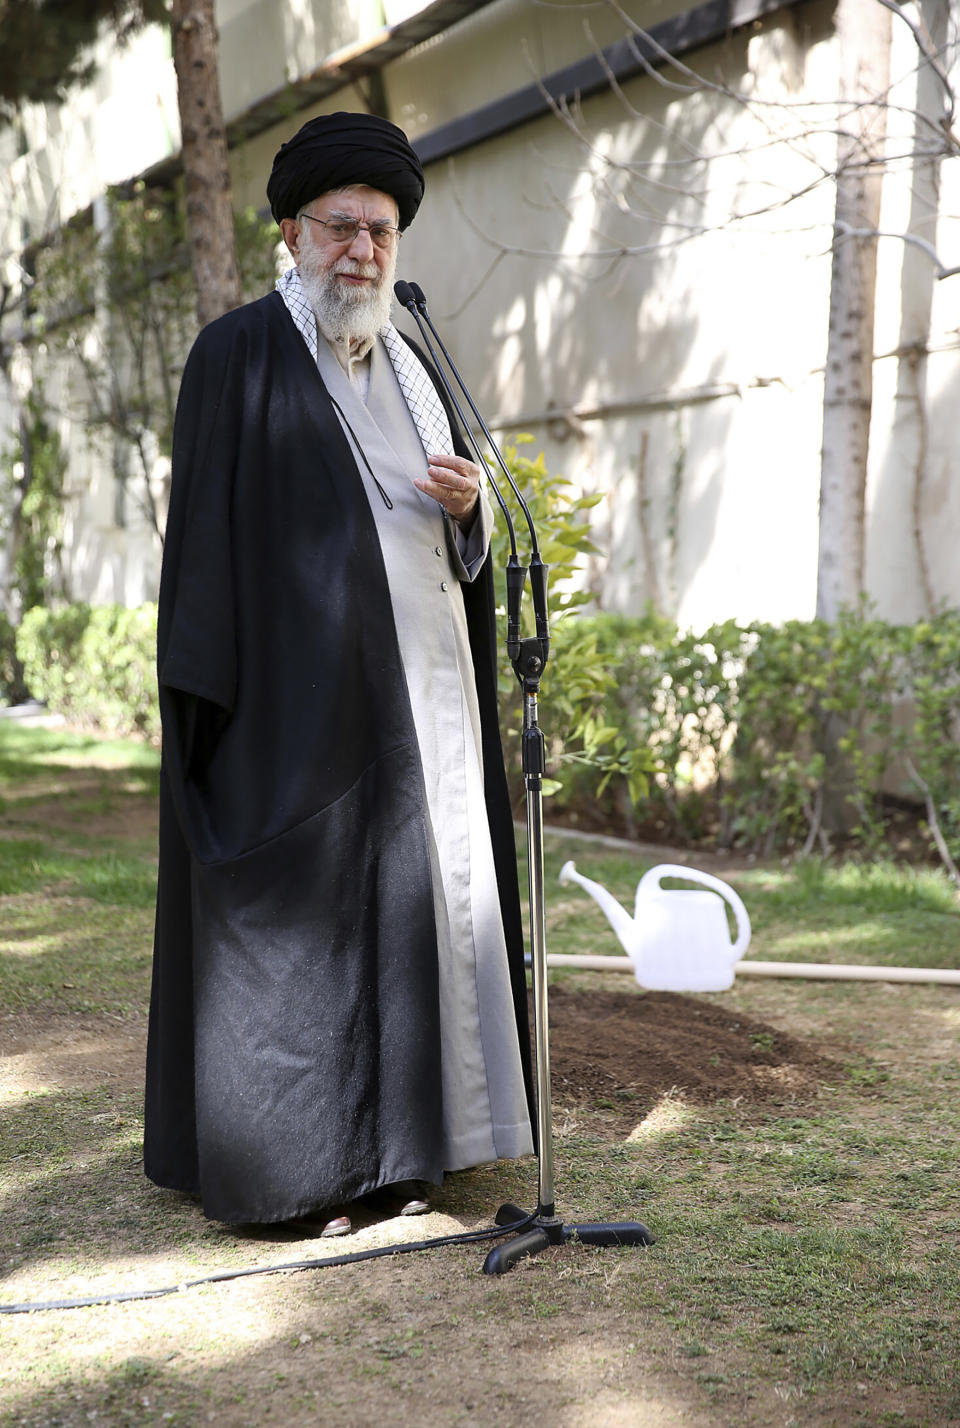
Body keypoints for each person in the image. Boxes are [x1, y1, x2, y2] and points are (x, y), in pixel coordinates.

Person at [144, 111, 534, 1232]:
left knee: (418, 922)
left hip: (427, 707)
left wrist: (469, 519)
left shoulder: (415, 364)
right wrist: (217, 713)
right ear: (291, 233)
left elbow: (463, 544)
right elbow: (207, 551)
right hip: (293, 715)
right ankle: (303, 1171)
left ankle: (413, 1151)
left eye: (382, 231)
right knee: (308, 938)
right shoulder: (238, 353)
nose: (363, 251)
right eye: (342, 228)